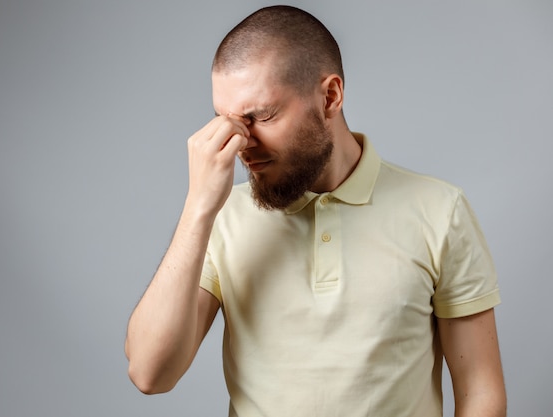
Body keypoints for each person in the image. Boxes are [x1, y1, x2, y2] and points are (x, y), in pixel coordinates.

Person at [125, 5, 506, 417]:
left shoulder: (440, 210)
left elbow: (480, 392)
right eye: (225, 120)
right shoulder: (220, 218)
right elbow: (150, 374)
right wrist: (198, 207)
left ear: (330, 96)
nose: (240, 143)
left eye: (261, 116)